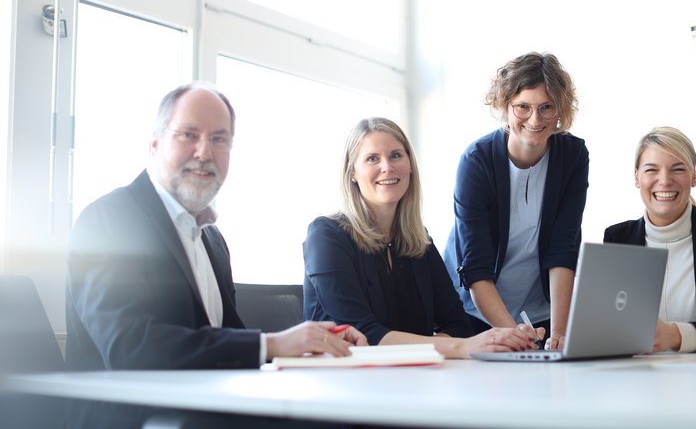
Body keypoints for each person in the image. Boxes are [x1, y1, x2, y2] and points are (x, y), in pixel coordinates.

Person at [66, 82, 366, 428]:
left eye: (219, 139)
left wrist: (312, 344)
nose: (204, 152)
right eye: (188, 135)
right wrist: (272, 344)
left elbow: (227, 339)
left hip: (208, 406)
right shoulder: (108, 219)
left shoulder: (211, 238)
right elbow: (129, 348)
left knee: (349, 413)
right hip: (137, 417)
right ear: (155, 143)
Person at [303, 117, 541, 359]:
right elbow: (364, 336)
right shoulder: (326, 236)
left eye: (396, 155)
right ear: (352, 173)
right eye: (372, 159)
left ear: (410, 166)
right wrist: (458, 347)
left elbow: (458, 326)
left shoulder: (418, 241)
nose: (387, 167)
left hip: (410, 375)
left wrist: (473, 342)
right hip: (342, 377)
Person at [443, 51, 589, 350]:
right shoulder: (476, 161)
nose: (535, 119)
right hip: (475, 314)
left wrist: (560, 333)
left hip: (540, 314)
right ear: (504, 106)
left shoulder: (572, 156)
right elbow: (476, 267)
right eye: (523, 106)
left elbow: (563, 249)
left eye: (547, 107)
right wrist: (513, 335)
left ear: (560, 110)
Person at [604, 126, 696, 352]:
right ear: (637, 178)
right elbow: (608, 323)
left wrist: (676, 335)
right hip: (638, 371)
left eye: (678, 169)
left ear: (693, 177)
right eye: (651, 170)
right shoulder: (617, 238)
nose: (664, 180)